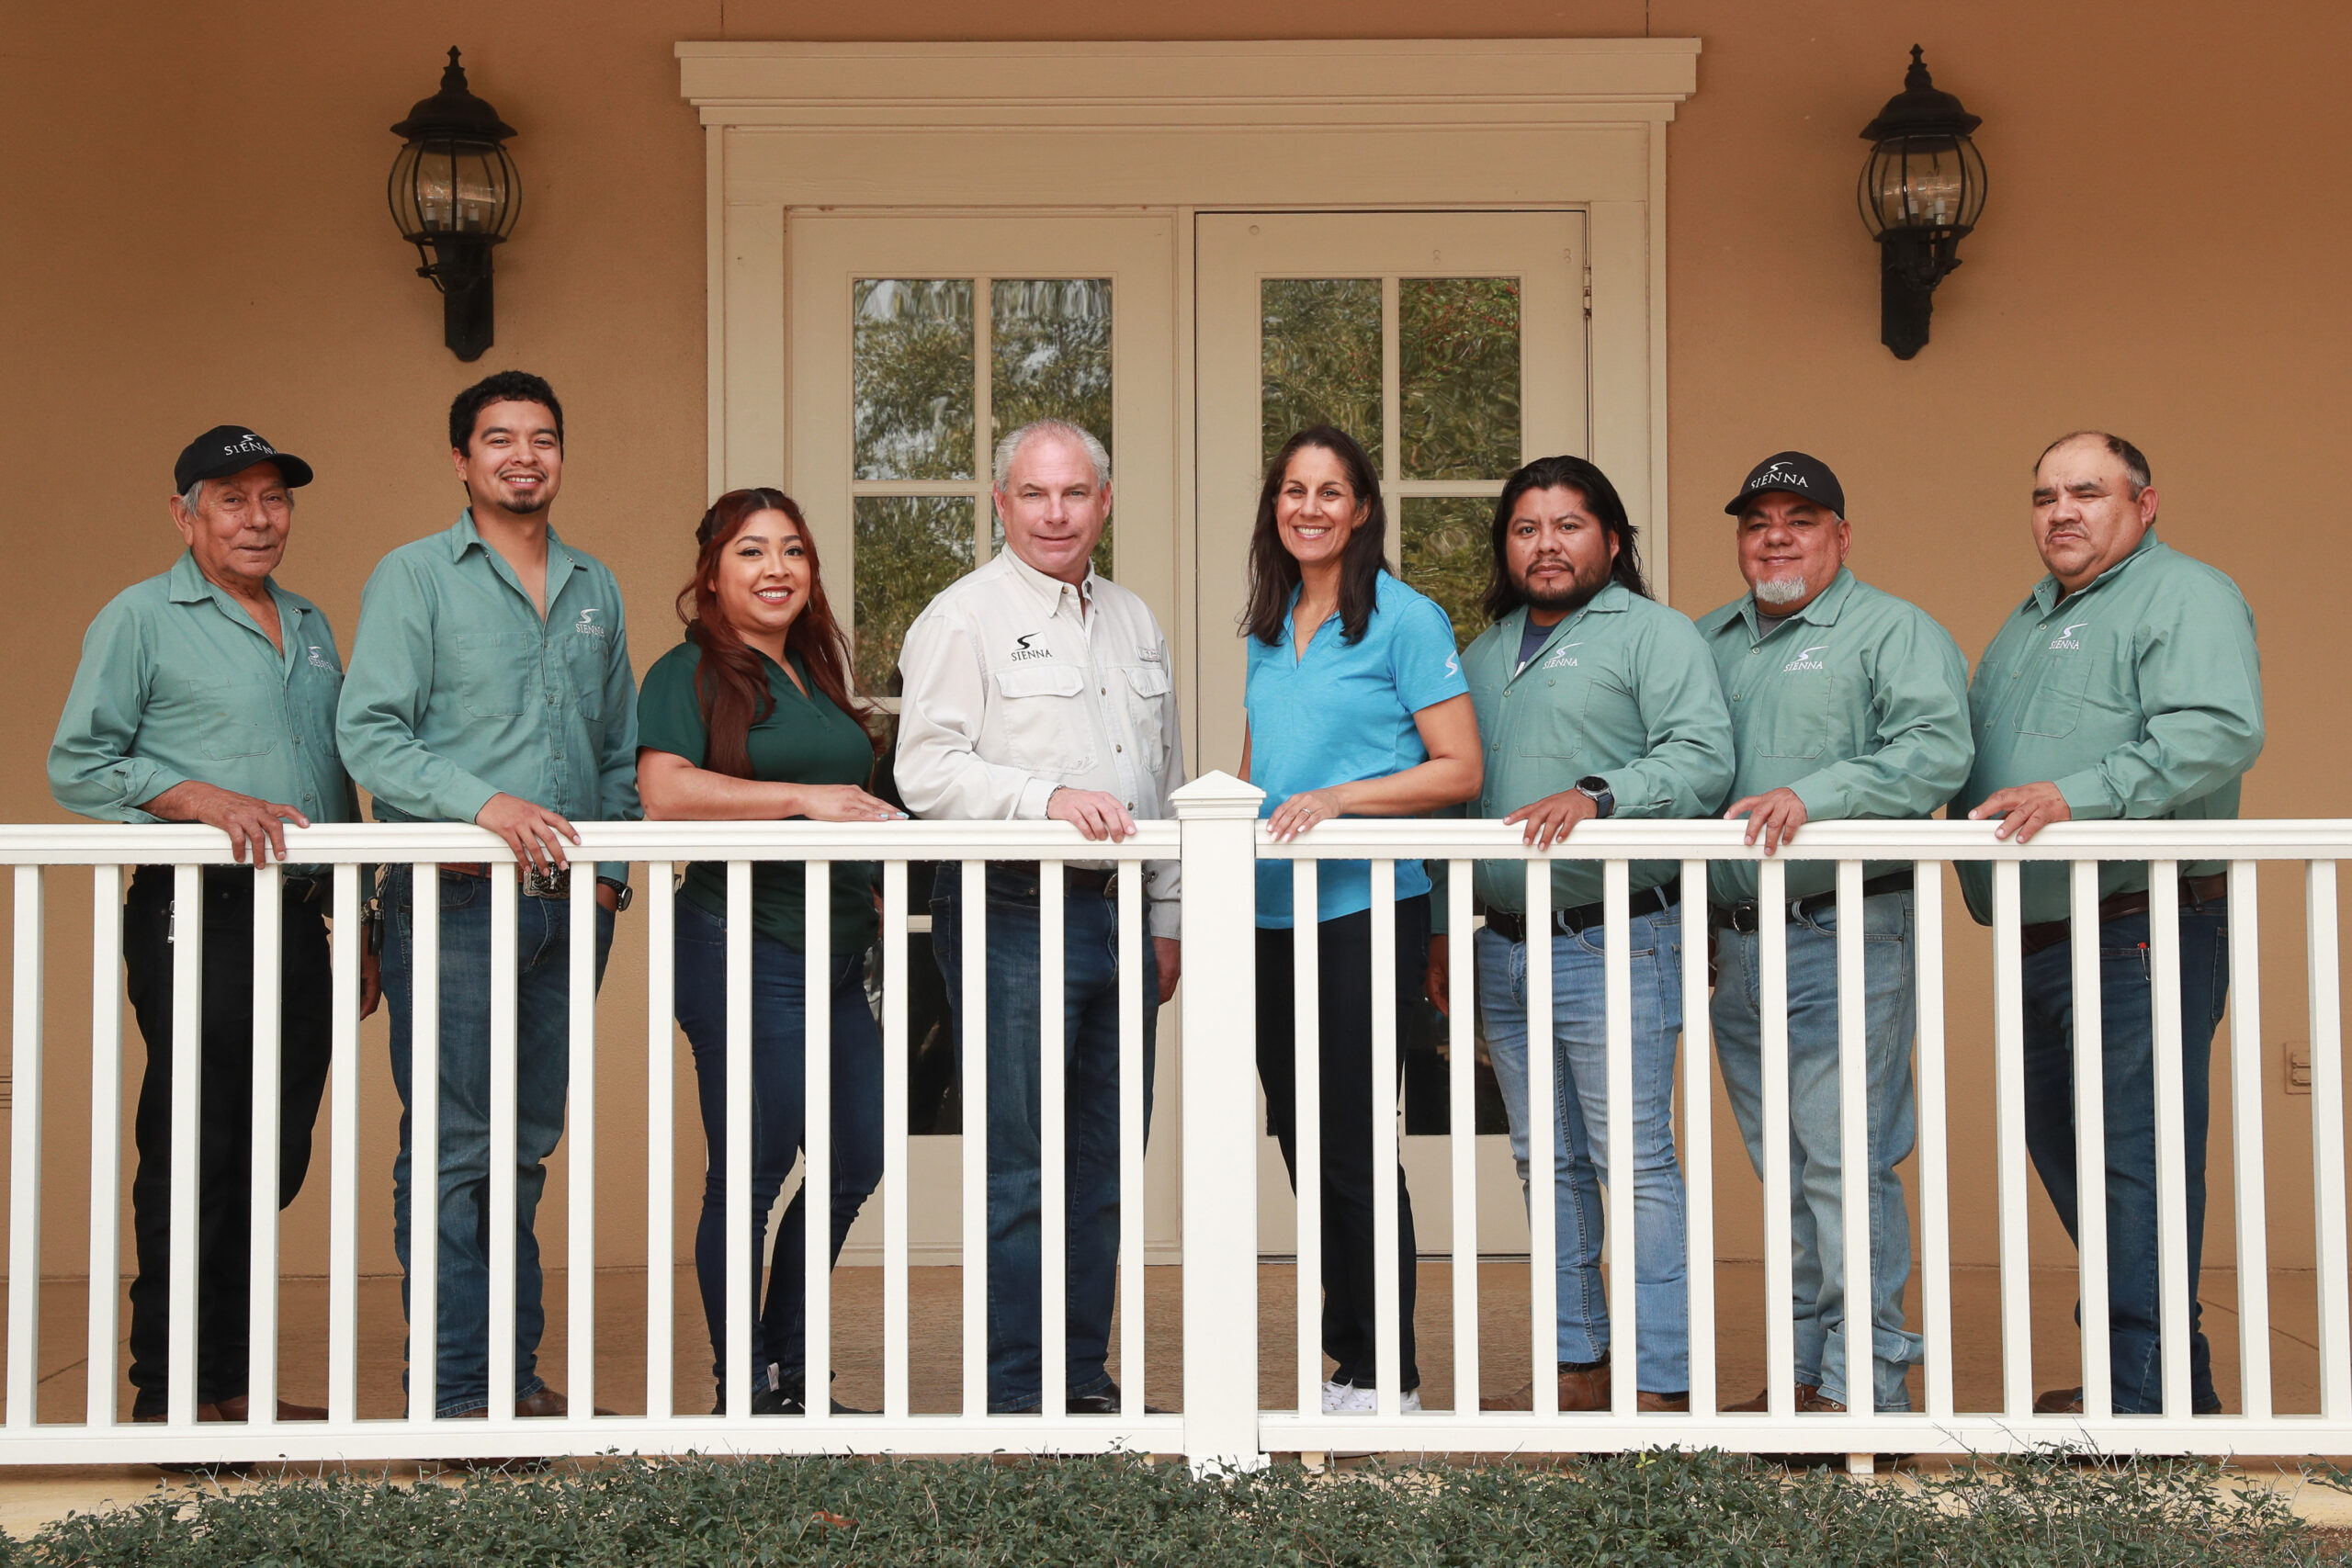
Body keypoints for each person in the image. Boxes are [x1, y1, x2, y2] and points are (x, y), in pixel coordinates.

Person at [51, 425, 375, 1427]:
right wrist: (194, 798)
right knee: (197, 1148)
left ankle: (228, 1383)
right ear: (183, 515)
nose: (258, 518)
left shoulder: (309, 622)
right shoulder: (139, 618)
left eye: (274, 498)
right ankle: (171, 1393)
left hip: (302, 920)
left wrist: (361, 915)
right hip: (199, 913)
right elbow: (80, 764)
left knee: (271, 1153)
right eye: (232, 499)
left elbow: (333, 779)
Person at [337, 372, 639, 1421]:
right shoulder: (414, 576)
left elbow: (617, 752)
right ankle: (456, 1389)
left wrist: (608, 884)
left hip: (566, 910)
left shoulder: (596, 586)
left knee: (523, 1148)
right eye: (499, 438)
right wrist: (485, 806)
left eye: (542, 437)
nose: (524, 455)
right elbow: (369, 734)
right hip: (453, 900)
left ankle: (512, 1377)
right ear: (461, 459)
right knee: (456, 1148)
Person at [1958, 432, 2261, 1417]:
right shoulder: (2028, 621)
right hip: (2044, 936)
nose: (2061, 512)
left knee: (2136, 1164)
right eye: (2044, 496)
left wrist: (2074, 797)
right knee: (2078, 1160)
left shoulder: (2184, 594)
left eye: (2086, 492)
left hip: (2140, 926)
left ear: (2144, 503)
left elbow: (2217, 729)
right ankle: (2165, 1384)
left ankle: (2140, 1402)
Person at [1426, 455, 1733, 1415]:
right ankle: (1579, 1365)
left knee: (1633, 1161)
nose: (1546, 545)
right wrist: (1441, 927)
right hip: (1504, 946)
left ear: (1611, 538)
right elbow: (1452, 802)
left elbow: (1703, 757)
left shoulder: (1654, 634)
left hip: (1618, 938)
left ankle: (1663, 1381)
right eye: (1526, 528)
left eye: (1568, 525)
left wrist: (1600, 796)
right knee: (1543, 1161)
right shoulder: (1480, 656)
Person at [894, 417, 1185, 1415]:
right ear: (1001, 504)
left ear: (1103, 502)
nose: (1054, 513)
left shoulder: (1134, 620)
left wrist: (1166, 916)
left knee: (1105, 1160)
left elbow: (1162, 775)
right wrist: (1044, 798)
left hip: (1120, 915)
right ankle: (1019, 1389)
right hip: (1011, 906)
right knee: (1022, 1163)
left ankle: (1080, 1379)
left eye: (1073, 493)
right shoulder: (961, 618)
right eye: (1033, 493)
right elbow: (926, 771)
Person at [1695, 451, 1971, 1420]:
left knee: (1845, 1164)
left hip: (1845, 930)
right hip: (1736, 945)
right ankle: (1807, 1378)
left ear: (1841, 537)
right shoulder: (1708, 642)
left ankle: (1868, 1391)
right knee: (1789, 1174)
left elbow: (1935, 751)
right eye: (1757, 521)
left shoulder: (1893, 631)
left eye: (1800, 520)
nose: (1776, 537)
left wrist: (1814, 796)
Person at [637, 488, 901, 1416]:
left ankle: (791, 1373)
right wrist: (801, 800)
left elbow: (845, 796)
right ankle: (743, 1390)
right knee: (750, 1172)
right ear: (712, 573)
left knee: (856, 1156)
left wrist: (864, 873)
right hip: (742, 942)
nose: (776, 568)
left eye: (792, 549)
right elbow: (664, 790)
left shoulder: (813, 673)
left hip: (836, 951)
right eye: (750, 551)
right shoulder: (689, 672)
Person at [1243, 424, 1481, 1415]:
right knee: (1302, 1136)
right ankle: (1350, 1359)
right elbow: (1261, 768)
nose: (1310, 508)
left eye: (1330, 491)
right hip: (1270, 915)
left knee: (1351, 1140)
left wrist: (1342, 801)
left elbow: (1459, 768)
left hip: (1367, 908)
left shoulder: (1406, 619)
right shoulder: (1268, 625)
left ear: (1363, 509)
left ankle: (1391, 1373)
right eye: (1294, 491)